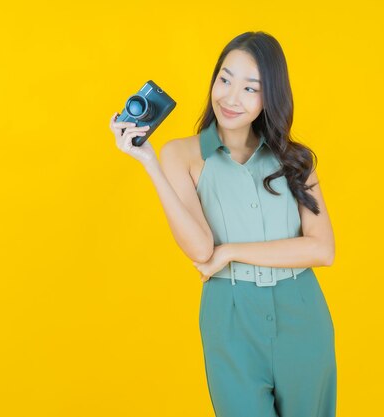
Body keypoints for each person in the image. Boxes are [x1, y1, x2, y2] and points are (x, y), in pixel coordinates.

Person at [109, 31, 336, 417]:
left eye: (250, 88)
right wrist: (149, 162)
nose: (231, 97)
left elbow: (322, 249)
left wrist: (230, 251)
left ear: (270, 97)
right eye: (225, 79)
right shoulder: (180, 154)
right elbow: (199, 249)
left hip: (302, 314)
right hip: (230, 317)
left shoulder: (295, 160)